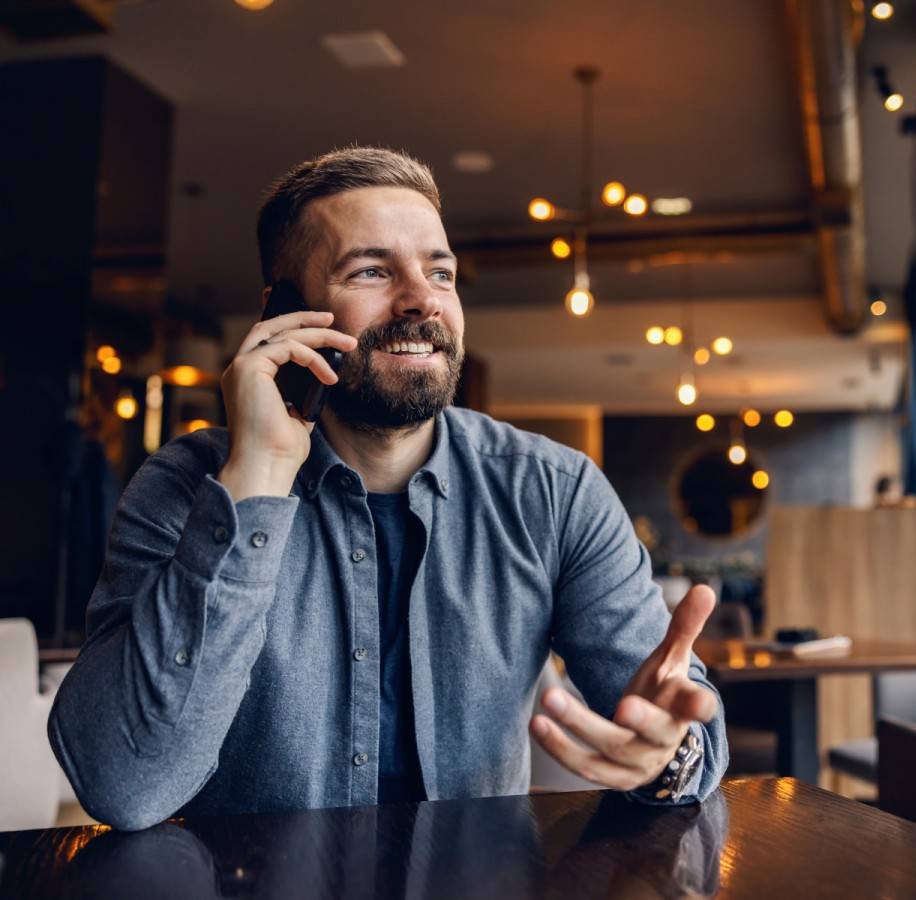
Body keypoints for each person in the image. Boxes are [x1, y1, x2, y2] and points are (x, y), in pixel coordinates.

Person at [48, 147, 728, 830]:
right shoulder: (185, 486)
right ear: (286, 311)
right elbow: (123, 786)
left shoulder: (554, 492)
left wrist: (665, 756)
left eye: (440, 271)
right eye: (371, 270)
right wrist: (255, 481)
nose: (422, 299)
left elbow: (675, 724)